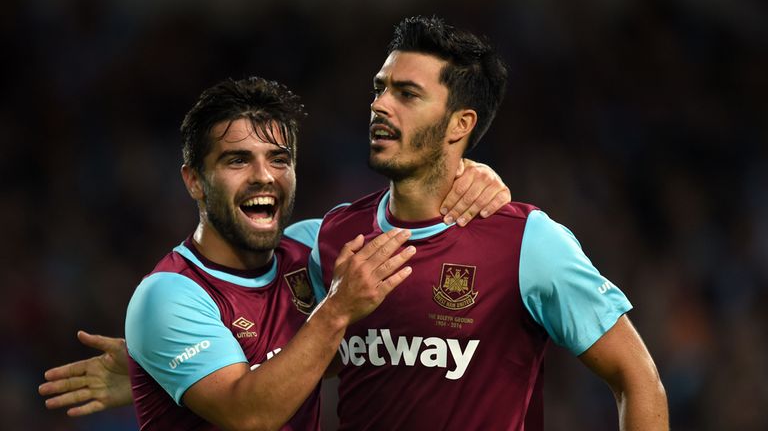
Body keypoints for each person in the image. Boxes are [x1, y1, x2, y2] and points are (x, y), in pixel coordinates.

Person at [38, 75, 511, 429]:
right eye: (237, 159)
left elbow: (408, 226)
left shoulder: (310, 247)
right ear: (194, 182)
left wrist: (469, 174)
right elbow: (251, 414)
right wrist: (337, 309)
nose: (263, 175)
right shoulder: (167, 296)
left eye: (278, 159)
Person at [308, 15, 669, 430]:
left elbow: (637, 377)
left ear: (460, 124)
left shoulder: (528, 242)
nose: (380, 105)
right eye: (380, 89)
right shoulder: (333, 236)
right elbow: (311, 365)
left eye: (407, 94)